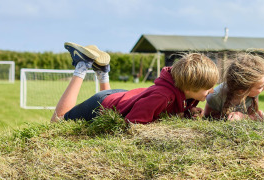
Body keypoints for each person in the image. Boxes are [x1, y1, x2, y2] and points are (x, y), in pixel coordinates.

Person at [51, 42, 218, 123]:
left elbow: (174, 109)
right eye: (208, 88)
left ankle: (103, 71)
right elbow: (132, 123)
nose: (212, 91)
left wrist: (187, 112)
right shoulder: (162, 96)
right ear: (189, 87)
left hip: (123, 97)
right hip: (102, 103)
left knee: (115, 109)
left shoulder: (182, 91)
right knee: (57, 122)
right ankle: (82, 65)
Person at [203, 53, 264, 121]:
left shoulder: (252, 94)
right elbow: (207, 117)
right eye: (260, 87)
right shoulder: (215, 96)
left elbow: (251, 115)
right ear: (242, 90)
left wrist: (250, 117)